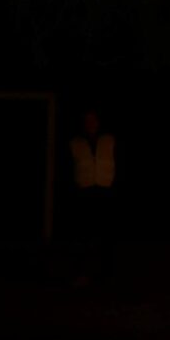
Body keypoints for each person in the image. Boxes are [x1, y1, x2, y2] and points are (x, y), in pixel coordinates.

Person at [67, 108, 117, 277]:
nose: (90, 124)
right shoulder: (76, 142)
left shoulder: (109, 140)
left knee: (106, 232)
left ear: (98, 121)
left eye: (93, 120)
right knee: (83, 233)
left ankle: (106, 272)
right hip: (85, 191)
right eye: (87, 120)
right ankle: (82, 271)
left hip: (105, 190)